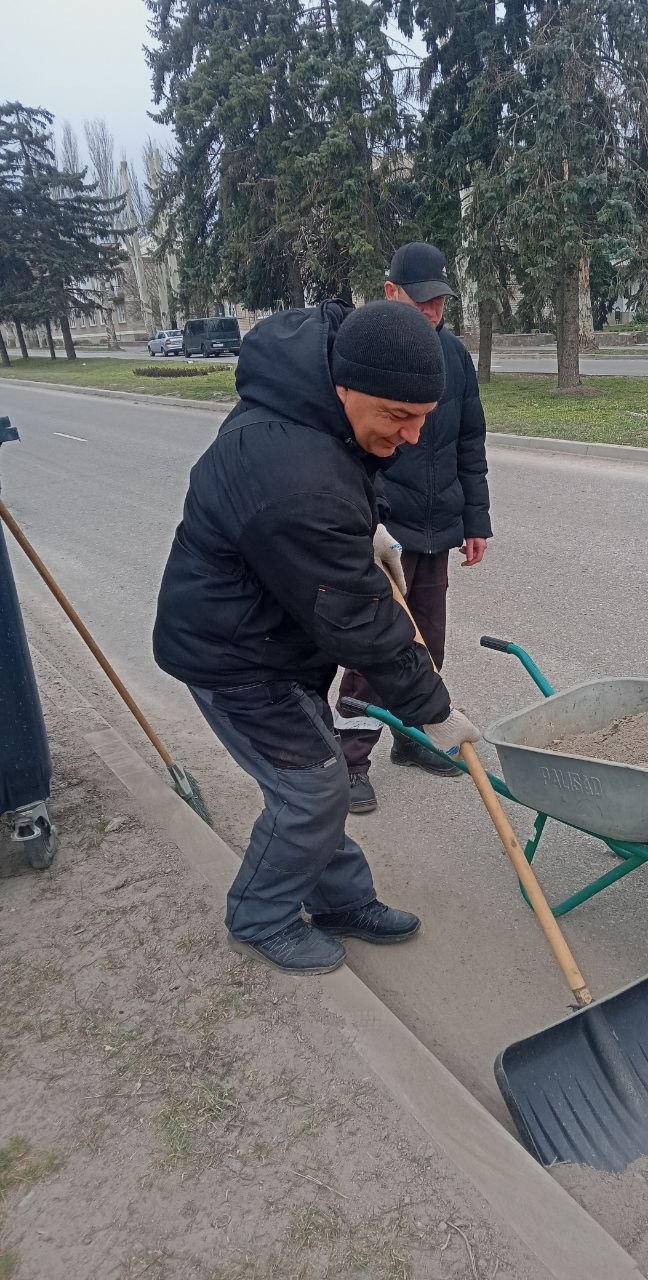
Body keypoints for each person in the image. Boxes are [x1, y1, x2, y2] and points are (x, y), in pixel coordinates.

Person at [152, 300, 481, 976]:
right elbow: (361, 621)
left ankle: (339, 901)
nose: (413, 436)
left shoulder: (310, 403)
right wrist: (434, 710)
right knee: (313, 787)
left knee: (319, 777)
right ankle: (261, 914)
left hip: (274, 635)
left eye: (422, 417)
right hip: (233, 655)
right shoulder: (296, 474)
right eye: (398, 417)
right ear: (346, 388)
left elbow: (331, 506)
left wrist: (367, 527)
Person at [337, 242, 492, 814]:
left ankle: (414, 736)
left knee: (428, 640)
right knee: (373, 648)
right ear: (391, 293)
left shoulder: (455, 358)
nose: (431, 312)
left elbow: (470, 443)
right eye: (420, 300)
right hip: (385, 530)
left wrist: (475, 521)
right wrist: (367, 522)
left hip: (437, 528)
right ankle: (350, 760)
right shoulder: (368, 359)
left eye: (439, 302)